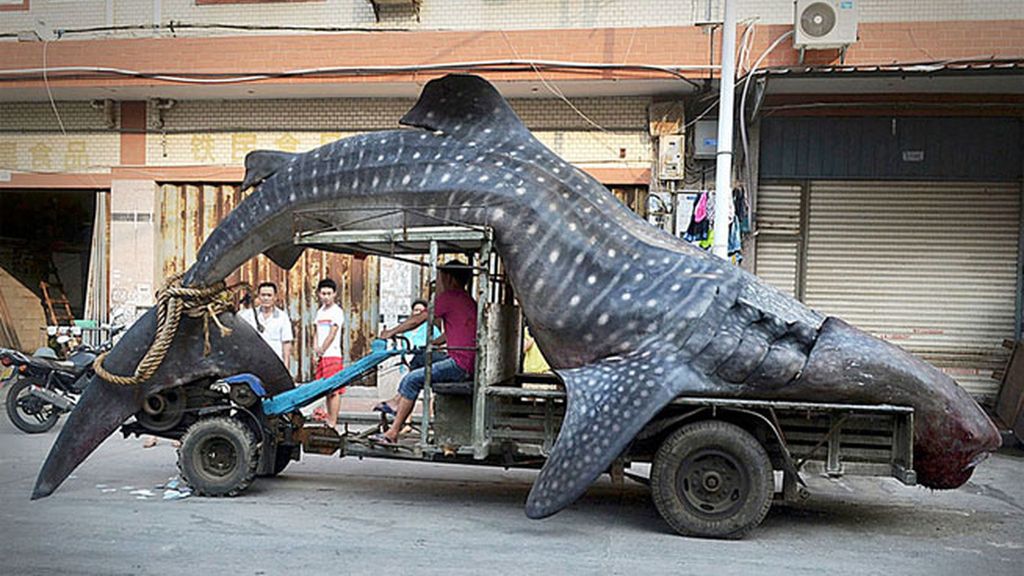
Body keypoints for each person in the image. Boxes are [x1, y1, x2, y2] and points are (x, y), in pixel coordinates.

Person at [373, 260, 477, 444]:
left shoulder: (450, 297)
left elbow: (418, 320)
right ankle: (398, 400)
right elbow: (461, 329)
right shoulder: (467, 299)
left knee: (411, 380)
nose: (438, 281)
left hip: (459, 364)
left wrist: (391, 332)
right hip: (467, 360)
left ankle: (393, 432)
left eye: (440, 277)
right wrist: (437, 342)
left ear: (449, 278)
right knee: (420, 358)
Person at [373, 299, 443, 416]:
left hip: (423, 360)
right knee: (408, 383)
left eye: (421, 311)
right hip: (408, 360)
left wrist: (391, 332)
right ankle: (404, 421)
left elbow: (439, 341)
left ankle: (400, 406)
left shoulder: (430, 327)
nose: (418, 313)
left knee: (414, 381)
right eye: (416, 310)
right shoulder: (407, 331)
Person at [313, 278, 345, 428]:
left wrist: (322, 349)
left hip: (332, 355)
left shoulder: (337, 312)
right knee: (326, 390)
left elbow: (332, 334)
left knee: (335, 390)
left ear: (334, 294)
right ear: (319, 294)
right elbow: (316, 333)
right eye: (323, 293)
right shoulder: (320, 312)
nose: (326, 296)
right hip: (321, 355)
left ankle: (333, 421)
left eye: (329, 293)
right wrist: (315, 350)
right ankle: (328, 418)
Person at [240, 281, 294, 367]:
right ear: (258, 296)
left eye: (269, 295)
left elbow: (286, 343)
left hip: (274, 363)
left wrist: (286, 366)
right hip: (254, 362)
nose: (266, 298)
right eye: (263, 295)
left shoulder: (282, 317)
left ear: (275, 297)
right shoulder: (248, 315)